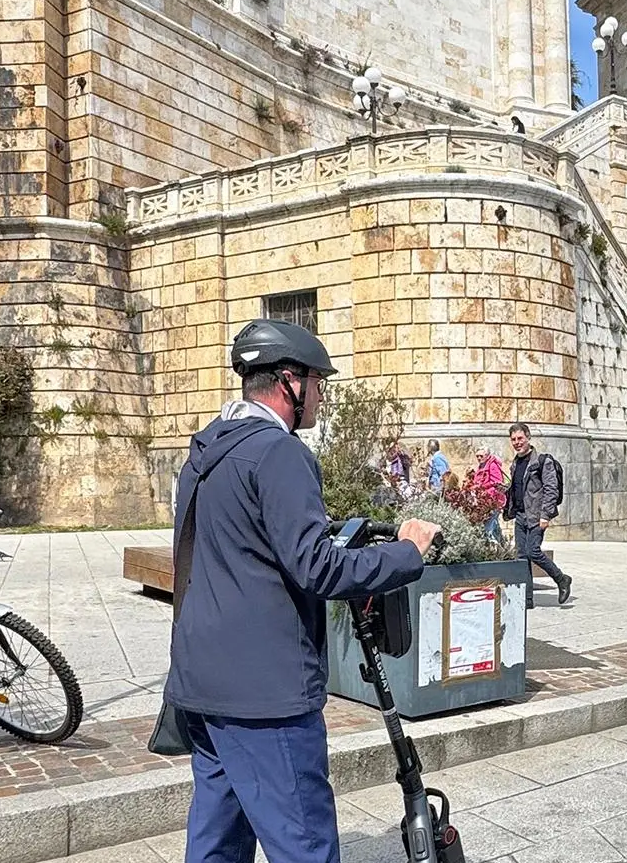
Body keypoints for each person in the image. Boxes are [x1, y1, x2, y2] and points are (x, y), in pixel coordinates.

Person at [165, 319, 440, 863]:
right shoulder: (279, 453)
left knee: (217, 845)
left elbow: (243, 549)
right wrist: (407, 552)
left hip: (202, 683)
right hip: (266, 695)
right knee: (304, 846)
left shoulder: (206, 452)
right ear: (289, 381)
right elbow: (317, 567)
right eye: (318, 382)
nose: (321, 395)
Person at [503, 423, 572, 609]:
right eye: (514, 439)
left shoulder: (542, 461)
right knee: (522, 557)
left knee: (533, 551)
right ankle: (527, 600)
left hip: (536, 516)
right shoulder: (516, 463)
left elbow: (551, 489)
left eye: (520, 438)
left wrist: (546, 515)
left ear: (528, 438)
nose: (517, 443)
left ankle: (561, 578)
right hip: (520, 516)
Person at [470, 446, 506, 541]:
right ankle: (502, 548)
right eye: (477, 456)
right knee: (493, 527)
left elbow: (497, 483)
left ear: (487, 455)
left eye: (481, 456)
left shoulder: (492, 465)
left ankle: (493, 550)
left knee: (488, 529)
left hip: (492, 501)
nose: (479, 458)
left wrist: (481, 487)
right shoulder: (482, 465)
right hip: (485, 501)